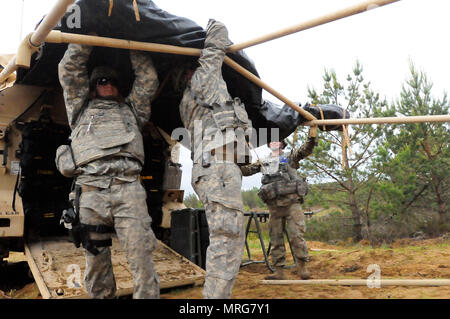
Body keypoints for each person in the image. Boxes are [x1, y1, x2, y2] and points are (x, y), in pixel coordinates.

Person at [57, 43, 160, 298]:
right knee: (96, 266)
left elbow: (148, 79)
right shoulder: (80, 111)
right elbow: (69, 70)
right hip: (92, 193)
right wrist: (85, 39)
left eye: (112, 81)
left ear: (119, 87)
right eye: (100, 81)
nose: (107, 84)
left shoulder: (133, 111)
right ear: (92, 88)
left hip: (128, 191)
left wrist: (132, 41)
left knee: (143, 261)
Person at [177, 19, 252, 299]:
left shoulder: (204, 98)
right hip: (217, 168)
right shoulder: (203, 81)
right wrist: (215, 27)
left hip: (219, 167)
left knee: (226, 239)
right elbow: (215, 45)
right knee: (228, 239)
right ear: (189, 73)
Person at [240, 126, 318, 280]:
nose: (274, 143)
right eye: (272, 141)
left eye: (278, 140)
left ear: (282, 144)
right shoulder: (263, 162)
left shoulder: (290, 158)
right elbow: (246, 171)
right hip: (274, 208)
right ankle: (279, 271)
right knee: (275, 239)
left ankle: (302, 267)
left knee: (297, 237)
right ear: (269, 145)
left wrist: (312, 138)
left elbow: (304, 151)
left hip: (292, 205)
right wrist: (238, 153)